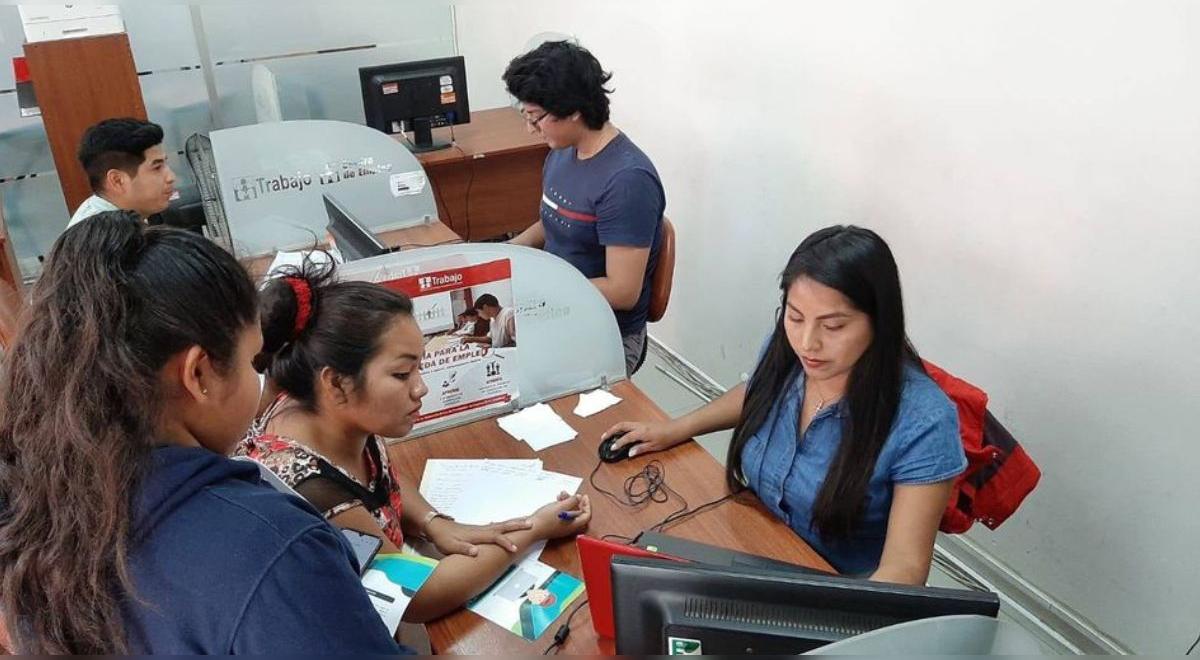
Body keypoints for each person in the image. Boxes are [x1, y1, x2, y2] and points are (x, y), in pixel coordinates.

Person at [0, 212, 408, 654]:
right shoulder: (274, 550)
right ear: (199, 375)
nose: (261, 384)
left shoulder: (35, 495)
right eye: (254, 364)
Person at [602, 226, 966, 584]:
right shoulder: (788, 352)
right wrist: (675, 428)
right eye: (795, 317)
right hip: (756, 544)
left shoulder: (925, 422)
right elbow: (757, 392)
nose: (808, 342)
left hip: (838, 587)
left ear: (879, 323)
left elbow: (905, 570)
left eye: (834, 326)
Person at [240, 261, 591, 623]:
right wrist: (535, 527)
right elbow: (419, 595)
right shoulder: (306, 486)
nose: (421, 387)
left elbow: (376, 480)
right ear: (336, 383)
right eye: (402, 373)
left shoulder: (329, 410)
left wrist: (431, 521)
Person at [503, 41, 665, 374]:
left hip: (605, 332)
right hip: (558, 309)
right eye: (526, 115)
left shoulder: (627, 181)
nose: (530, 128)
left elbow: (622, 292)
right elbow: (553, 221)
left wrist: (537, 300)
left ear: (574, 110)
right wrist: (500, 255)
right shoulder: (562, 152)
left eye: (537, 118)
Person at [68, 117, 177, 228]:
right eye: (157, 168)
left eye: (165, 164)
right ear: (117, 181)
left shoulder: (122, 217)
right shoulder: (108, 238)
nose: (171, 177)